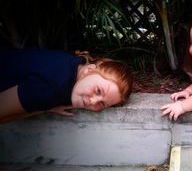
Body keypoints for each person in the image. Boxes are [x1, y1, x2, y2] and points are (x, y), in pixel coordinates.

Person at [0, 47, 133, 123]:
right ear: (89, 70)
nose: (92, 101)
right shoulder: (50, 87)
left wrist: (47, 107)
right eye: (98, 90)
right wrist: (44, 106)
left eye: (102, 104)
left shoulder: (72, 64)